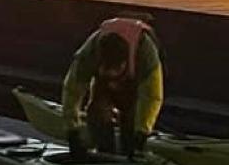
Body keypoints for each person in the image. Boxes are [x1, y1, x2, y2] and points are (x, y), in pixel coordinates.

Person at [62, 15, 164, 157]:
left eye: (115, 71)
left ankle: (130, 151)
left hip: (132, 85)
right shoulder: (89, 54)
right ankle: (104, 151)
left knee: (131, 120)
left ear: (125, 62)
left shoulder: (146, 56)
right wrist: (72, 129)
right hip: (101, 87)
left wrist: (142, 131)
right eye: (107, 70)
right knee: (97, 112)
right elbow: (72, 90)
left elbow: (152, 97)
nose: (112, 77)